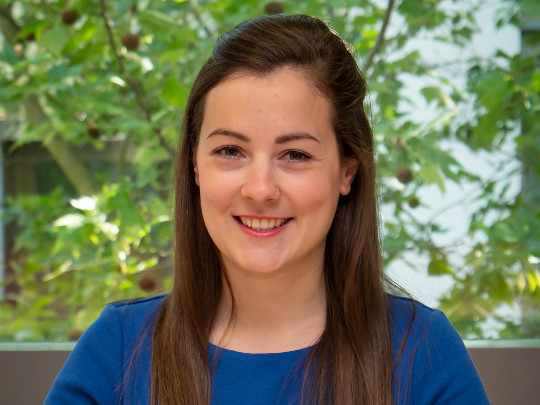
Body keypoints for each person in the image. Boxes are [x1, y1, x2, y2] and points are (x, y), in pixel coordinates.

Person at [46, 14, 490, 405]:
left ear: (346, 173)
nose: (260, 189)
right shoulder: (118, 349)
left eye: (295, 155)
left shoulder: (424, 353)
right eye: (229, 150)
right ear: (195, 168)